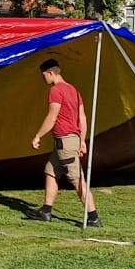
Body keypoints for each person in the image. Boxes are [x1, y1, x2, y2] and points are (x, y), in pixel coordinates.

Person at [29, 58, 100, 227]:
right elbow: (82, 117)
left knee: (77, 179)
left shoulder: (56, 90)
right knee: (50, 171)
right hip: (69, 140)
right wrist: (82, 140)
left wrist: (38, 136)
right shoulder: (74, 90)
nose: (43, 79)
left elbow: (52, 117)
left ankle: (93, 217)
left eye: (43, 75)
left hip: (65, 142)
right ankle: (46, 211)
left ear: (50, 73)